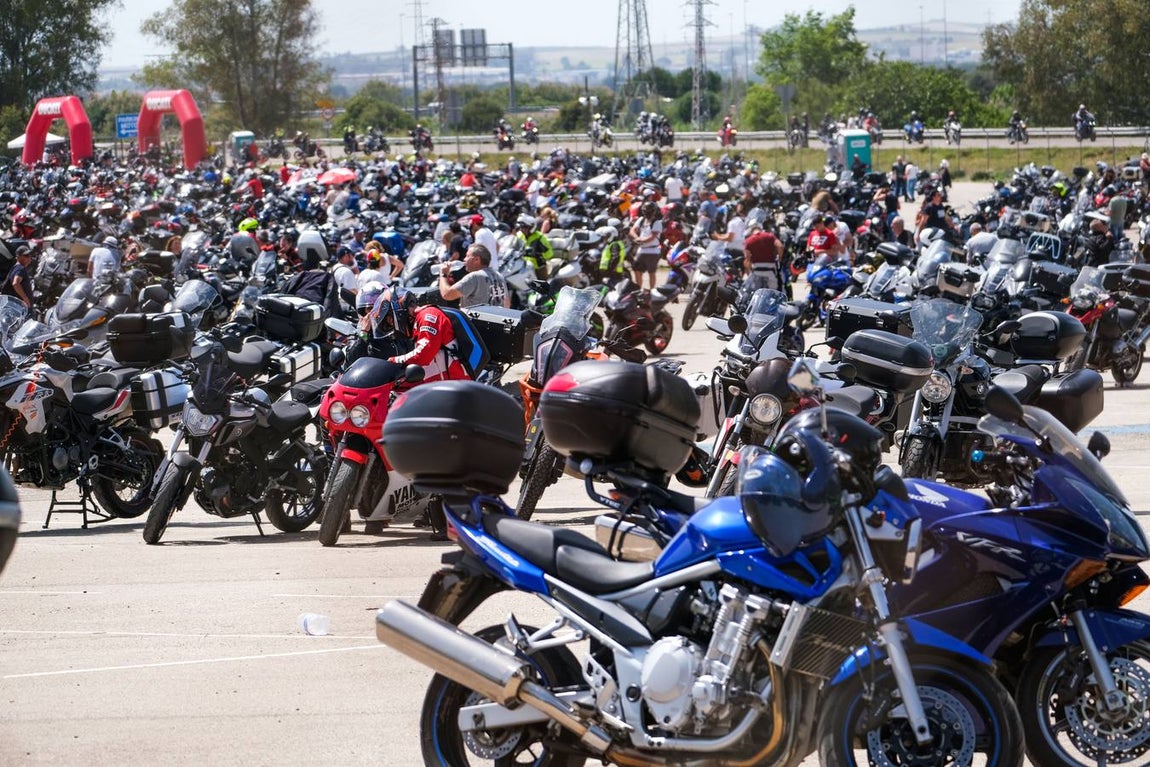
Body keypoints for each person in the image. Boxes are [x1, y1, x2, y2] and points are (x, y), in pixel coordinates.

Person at [438, 243, 509, 309]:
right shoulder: (499, 276)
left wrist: (443, 274)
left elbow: (447, 295)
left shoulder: (474, 277)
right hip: (496, 321)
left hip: (474, 322)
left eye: (467, 256)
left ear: (477, 260)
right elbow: (507, 303)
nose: (464, 259)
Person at [629, 201, 663, 290]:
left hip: (653, 251)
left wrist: (641, 240)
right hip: (642, 249)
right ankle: (638, 289)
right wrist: (637, 237)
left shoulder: (657, 222)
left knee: (651, 272)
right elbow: (632, 230)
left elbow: (653, 236)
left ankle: (652, 291)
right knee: (637, 269)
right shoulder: (641, 220)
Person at [742, 220, 783, 292]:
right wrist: (779, 258)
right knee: (773, 292)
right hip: (770, 269)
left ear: (751, 231)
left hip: (757, 270)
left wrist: (748, 273)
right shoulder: (770, 236)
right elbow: (780, 246)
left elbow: (747, 261)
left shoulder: (748, 241)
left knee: (756, 292)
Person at [516, 214, 553, 278]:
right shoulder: (519, 235)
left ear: (531, 227)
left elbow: (550, 253)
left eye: (524, 227)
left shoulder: (540, 237)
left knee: (542, 285)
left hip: (537, 267)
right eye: (521, 227)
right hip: (522, 265)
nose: (522, 229)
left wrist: (538, 254)